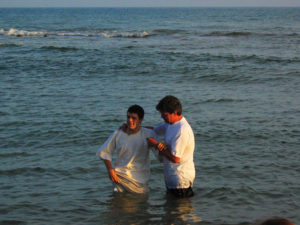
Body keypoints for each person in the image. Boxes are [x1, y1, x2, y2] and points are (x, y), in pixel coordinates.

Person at [97, 105, 158, 194]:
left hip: (140, 181)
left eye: (134, 118)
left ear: (141, 120)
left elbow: (160, 157)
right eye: (128, 117)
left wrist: (157, 145)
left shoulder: (148, 134)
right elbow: (104, 151)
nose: (130, 120)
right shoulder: (119, 133)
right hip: (120, 178)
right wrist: (110, 170)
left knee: (140, 206)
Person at [147, 95, 195, 197]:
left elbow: (175, 158)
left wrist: (156, 144)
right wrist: (133, 127)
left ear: (175, 112)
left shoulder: (181, 130)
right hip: (172, 178)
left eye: (164, 115)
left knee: (180, 211)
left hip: (181, 181)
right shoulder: (170, 123)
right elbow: (154, 130)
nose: (162, 117)